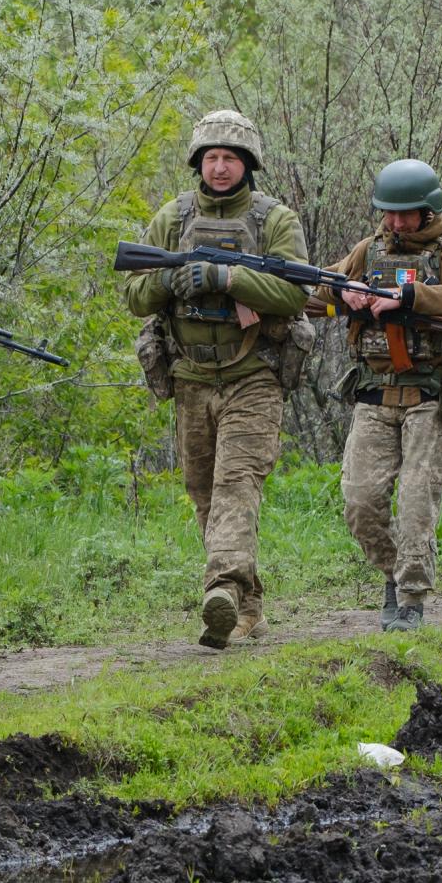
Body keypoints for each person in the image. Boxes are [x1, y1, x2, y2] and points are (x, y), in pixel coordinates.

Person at [123, 110, 309, 648]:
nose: (220, 168)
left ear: (248, 164)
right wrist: (172, 281)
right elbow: (134, 295)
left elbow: (296, 293)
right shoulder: (174, 218)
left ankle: (222, 590)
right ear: (198, 164)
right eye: (211, 158)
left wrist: (229, 277)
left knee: (237, 483)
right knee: (203, 491)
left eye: (230, 158)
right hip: (191, 377)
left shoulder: (274, 220)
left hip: (253, 373)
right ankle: (247, 606)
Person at [319, 160, 442, 631]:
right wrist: (344, 292)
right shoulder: (367, 250)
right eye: (389, 214)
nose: (396, 223)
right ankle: (394, 577)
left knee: (417, 502)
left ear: (428, 210)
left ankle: (412, 598)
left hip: (429, 395)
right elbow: (318, 291)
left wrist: (412, 298)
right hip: (374, 395)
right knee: (360, 501)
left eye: (407, 214)